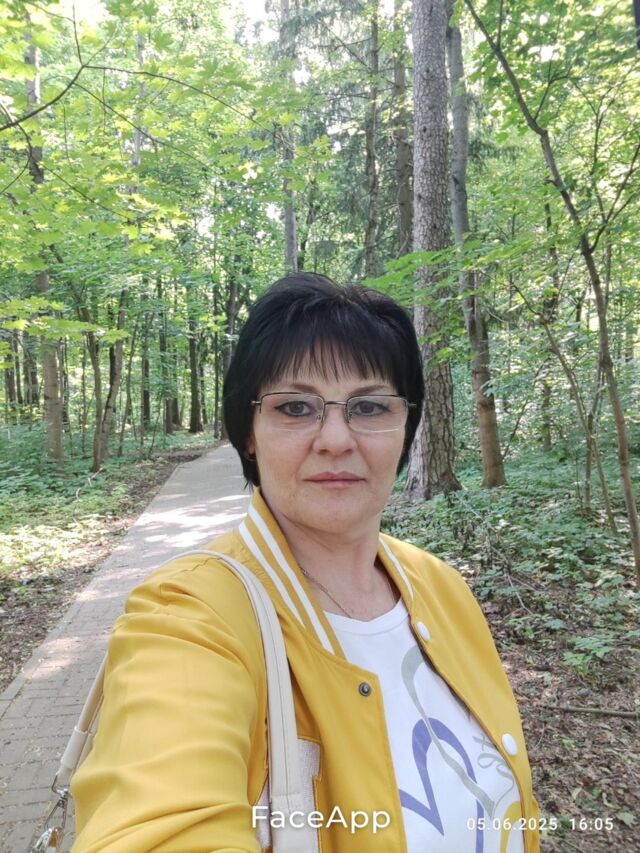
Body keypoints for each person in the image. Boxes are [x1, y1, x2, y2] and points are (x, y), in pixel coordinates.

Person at [71, 273, 540, 852]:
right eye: (295, 407)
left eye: (369, 406)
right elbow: (159, 829)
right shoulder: (188, 617)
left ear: (406, 426)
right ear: (248, 432)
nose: (336, 439)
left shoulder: (442, 588)